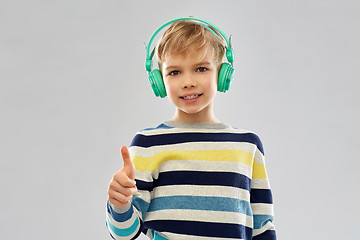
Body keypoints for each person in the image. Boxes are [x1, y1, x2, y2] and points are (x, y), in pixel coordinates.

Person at [106, 17, 276, 240]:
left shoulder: (248, 145)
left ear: (222, 74)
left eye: (201, 68)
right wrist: (119, 204)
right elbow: (124, 235)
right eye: (175, 72)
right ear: (159, 80)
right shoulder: (148, 144)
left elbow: (262, 227)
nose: (188, 82)